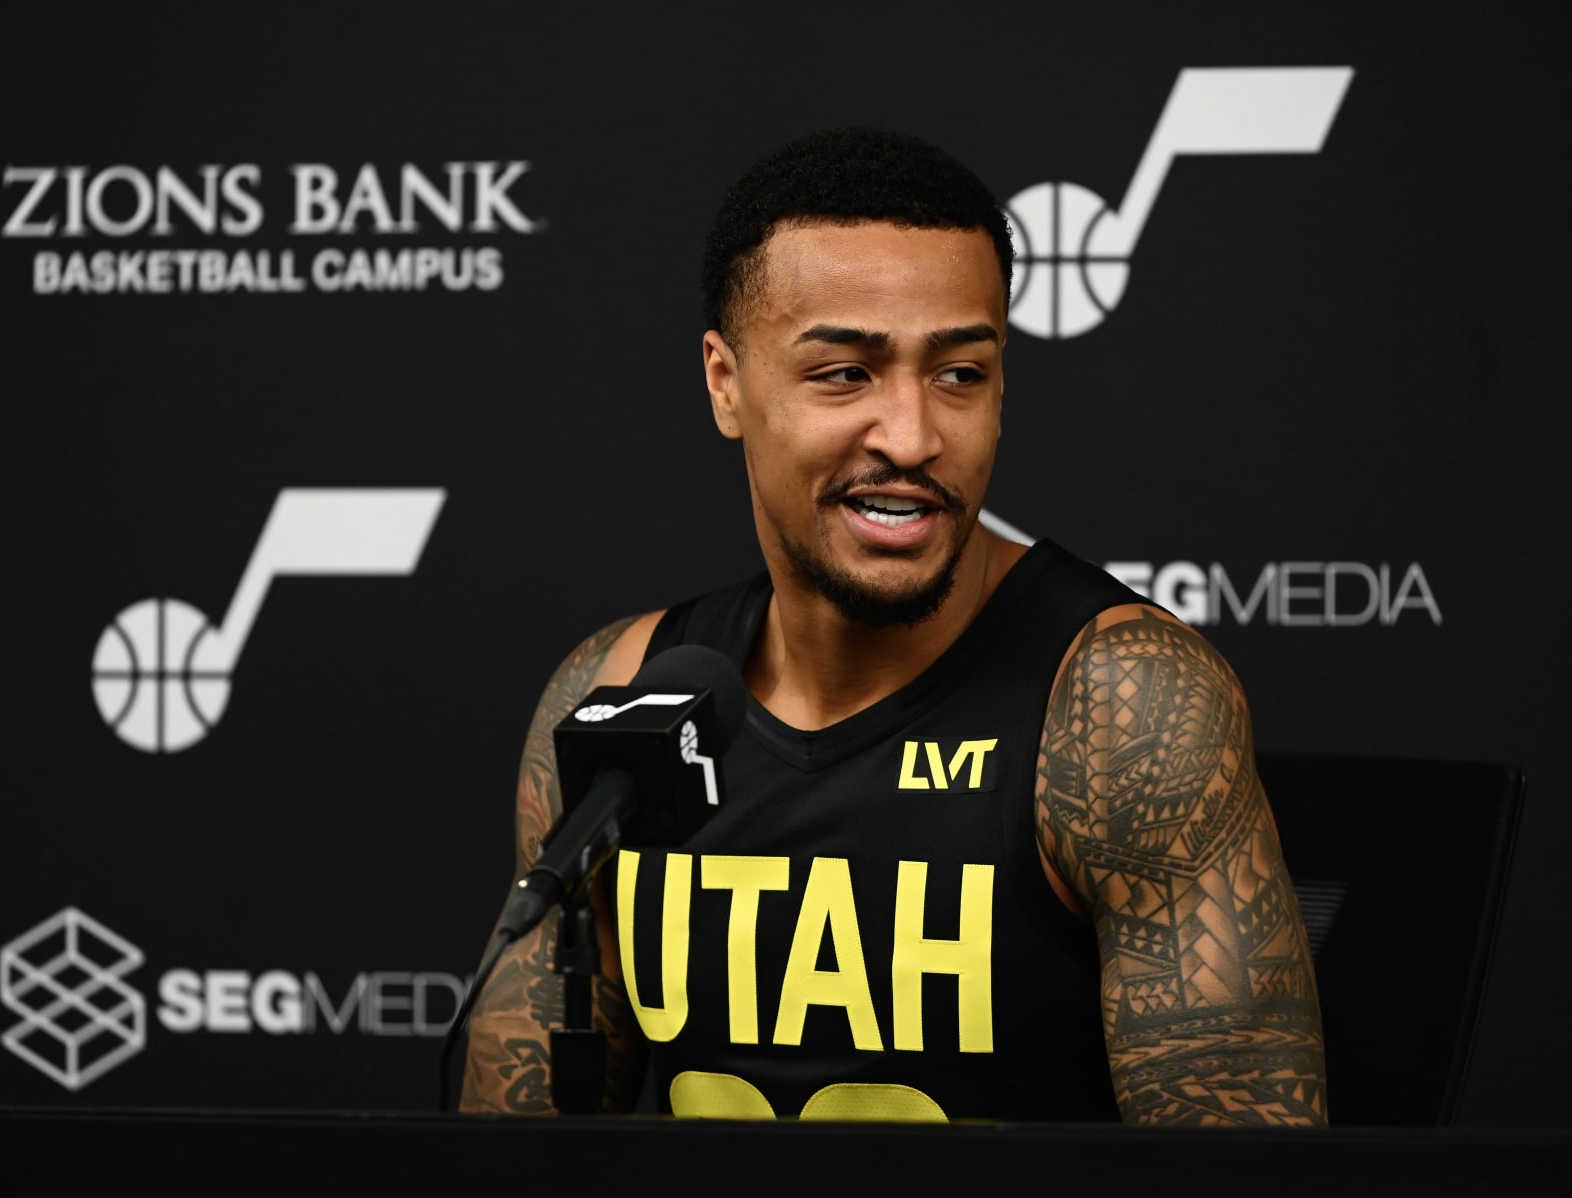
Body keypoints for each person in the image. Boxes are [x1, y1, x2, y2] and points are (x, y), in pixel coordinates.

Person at [457, 127, 1327, 1126]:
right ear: (725, 382)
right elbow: (509, 1153)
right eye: (844, 374)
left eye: (960, 373)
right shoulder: (614, 691)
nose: (913, 437)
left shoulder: (1118, 706)